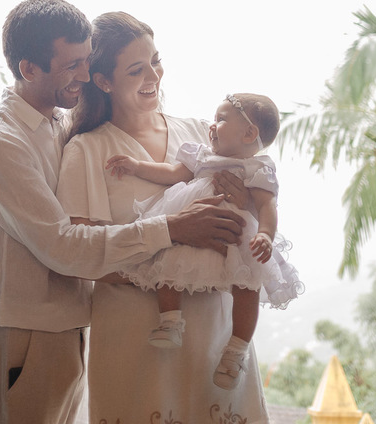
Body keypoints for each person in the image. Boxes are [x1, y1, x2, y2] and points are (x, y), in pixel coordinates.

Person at [0, 0, 244, 424]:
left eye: (86, 61)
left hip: (72, 328)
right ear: (28, 69)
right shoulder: (0, 144)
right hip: (25, 335)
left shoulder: (58, 126)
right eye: (71, 66)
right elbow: (63, 247)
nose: (84, 76)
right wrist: (174, 229)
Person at [56, 12, 271, 423]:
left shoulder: (200, 134)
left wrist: (245, 203)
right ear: (103, 81)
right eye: (136, 69)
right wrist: (174, 234)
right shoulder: (86, 151)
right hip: (136, 336)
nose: (154, 75)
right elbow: (83, 260)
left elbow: (259, 204)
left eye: (156, 60)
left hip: (217, 334)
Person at [108, 92, 303, 389]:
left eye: (221, 119)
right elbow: (172, 174)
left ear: (249, 133)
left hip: (237, 236)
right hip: (189, 223)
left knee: (247, 286)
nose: (212, 125)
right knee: (168, 262)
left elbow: (267, 207)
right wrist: (137, 166)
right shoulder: (200, 155)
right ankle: (170, 320)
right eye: (214, 118)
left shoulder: (257, 170)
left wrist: (264, 234)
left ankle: (236, 350)